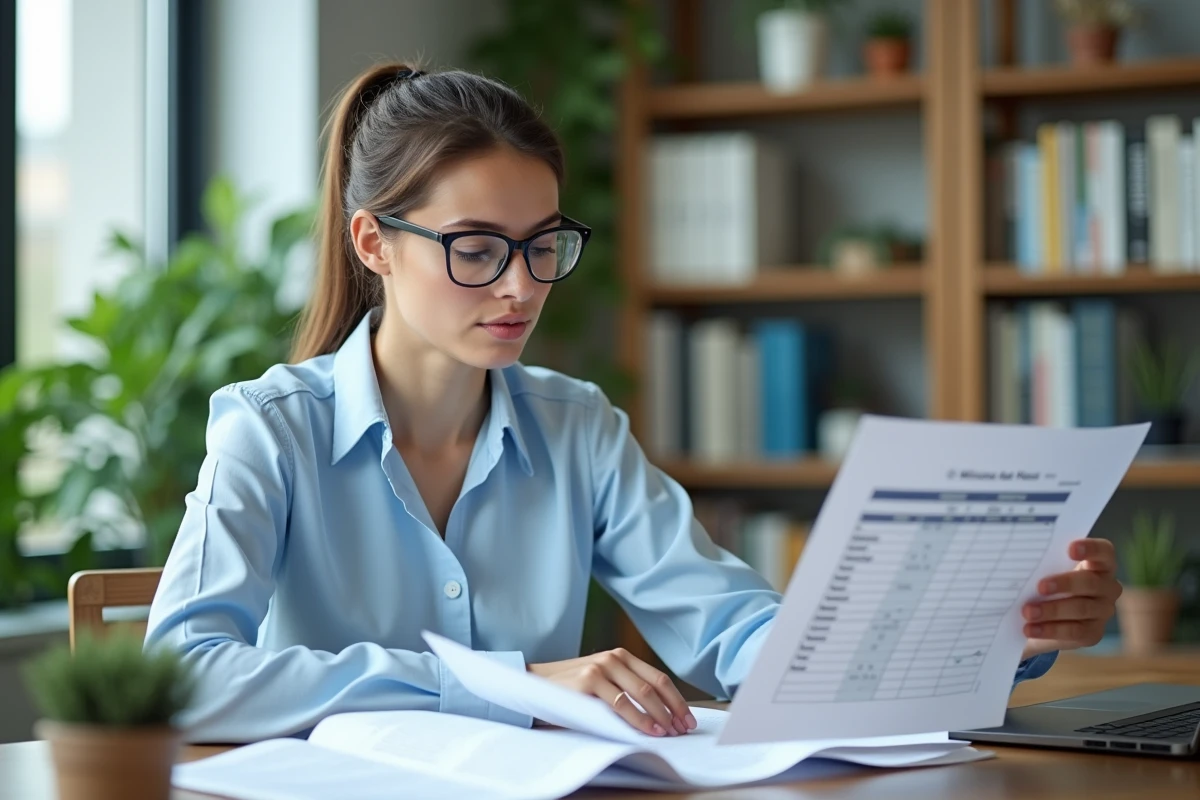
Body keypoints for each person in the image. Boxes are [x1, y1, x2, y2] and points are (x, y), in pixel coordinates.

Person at [144, 63, 1124, 744]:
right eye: (476, 248)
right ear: (373, 243)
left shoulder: (576, 428)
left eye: (543, 245)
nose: (522, 287)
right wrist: (500, 683)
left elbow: (736, 636)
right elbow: (180, 674)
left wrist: (994, 628)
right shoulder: (269, 429)